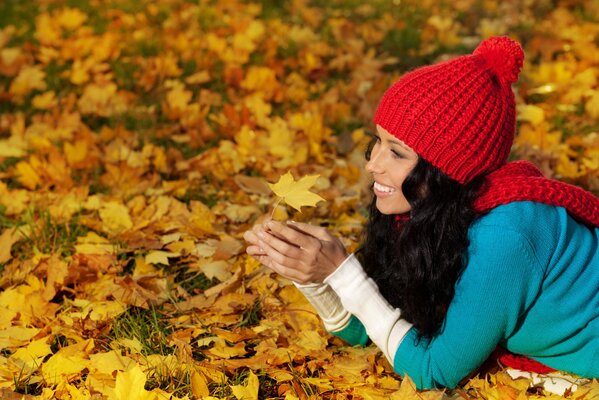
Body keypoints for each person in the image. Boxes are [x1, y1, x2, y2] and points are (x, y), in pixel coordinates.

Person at [243, 36, 599, 390]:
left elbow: (434, 371)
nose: (372, 165)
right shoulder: (436, 213)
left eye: (397, 153)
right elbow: (378, 331)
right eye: (378, 141)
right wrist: (311, 276)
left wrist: (345, 273)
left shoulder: (504, 235)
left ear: (446, 171)